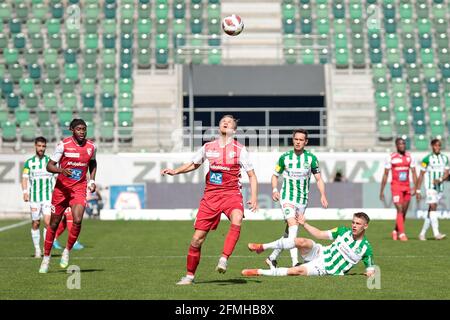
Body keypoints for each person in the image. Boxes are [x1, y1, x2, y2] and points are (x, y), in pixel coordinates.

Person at [161, 114, 258, 285]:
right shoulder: (208, 147)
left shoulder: (240, 150)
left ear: (234, 130)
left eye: (229, 122)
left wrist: (254, 198)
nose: (225, 123)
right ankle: (189, 276)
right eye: (223, 121)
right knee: (197, 239)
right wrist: (175, 171)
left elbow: (252, 175)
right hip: (211, 196)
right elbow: (193, 164)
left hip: (231, 193)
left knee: (237, 219)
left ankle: (224, 258)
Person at [39, 119, 97, 273]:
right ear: (72, 130)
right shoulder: (63, 145)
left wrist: (92, 180)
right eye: (79, 129)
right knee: (53, 224)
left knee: (77, 220)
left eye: (84, 129)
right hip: (61, 190)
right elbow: (49, 165)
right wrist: (61, 171)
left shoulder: (91, 147)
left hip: (78, 188)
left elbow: (93, 162)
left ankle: (67, 251)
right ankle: (46, 259)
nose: (82, 132)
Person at [242, 212, 375, 278]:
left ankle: (259, 272)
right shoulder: (343, 231)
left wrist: (370, 273)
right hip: (320, 252)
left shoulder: (366, 248)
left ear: (366, 226)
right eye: (353, 222)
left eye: (358, 224)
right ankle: (262, 247)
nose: (354, 226)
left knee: (296, 271)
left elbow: (370, 269)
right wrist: (304, 223)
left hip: (325, 268)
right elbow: (319, 234)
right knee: (300, 241)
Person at [268, 129, 328, 268]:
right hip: (287, 197)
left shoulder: (311, 159)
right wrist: (275, 189)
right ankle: (295, 262)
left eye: (301, 140)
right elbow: (275, 175)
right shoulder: (285, 157)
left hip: (302, 200)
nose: (298, 142)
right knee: (293, 226)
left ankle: (272, 257)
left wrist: (323, 195)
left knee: (289, 231)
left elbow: (318, 179)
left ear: (306, 142)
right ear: (292, 140)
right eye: (296, 139)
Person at [22, 137, 55, 258]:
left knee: (48, 223)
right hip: (34, 198)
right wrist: (25, 192)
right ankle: (37, 249)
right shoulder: (29, 162)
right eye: (39, 146)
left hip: (48, 198)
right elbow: (24, 178)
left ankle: (46, 250)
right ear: (35, 146)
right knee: (36, 223)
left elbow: (57, 179)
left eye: (43, 146)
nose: (41, 148)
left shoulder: (50, 162)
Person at [379, 137, 417, 241]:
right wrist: (381, 191)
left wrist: (416, 188)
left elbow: (414, 173)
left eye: (404, 144)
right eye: (400, 144)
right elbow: (385, 174)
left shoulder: (410, 157)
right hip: (396, 187)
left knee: (404, 211)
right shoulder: (391, 157)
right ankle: (402, 234)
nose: (402, 145)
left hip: (407, 187)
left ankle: (395, 231)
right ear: (396, 145)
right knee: (399, 209)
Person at [416, 139, 448, 241]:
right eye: (435, 145)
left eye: (439, 145)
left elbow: (447, 172)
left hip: (440, 188)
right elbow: (421, 174)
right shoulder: (427, 159)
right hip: (430, 187)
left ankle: (422, 234)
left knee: (431, 211)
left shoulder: (445, 158)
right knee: (433, 206)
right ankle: (436, 233)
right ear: (432, 146)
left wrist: (440, 179)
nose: (437, 147)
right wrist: (418, 190)